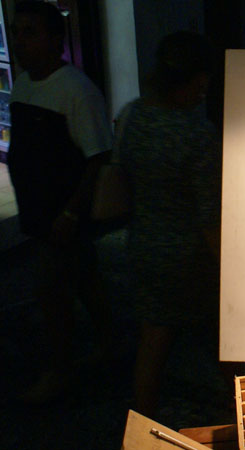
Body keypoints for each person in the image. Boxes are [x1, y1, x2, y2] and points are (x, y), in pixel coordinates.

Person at [7, 0, 114, 403]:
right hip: (38, 209)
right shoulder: (23, 83)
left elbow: (97, 156)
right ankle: (109, 342)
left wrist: (71, 211)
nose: (20, 41)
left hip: (62, 213)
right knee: (85, 278)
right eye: (17, 32)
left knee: (50, 292)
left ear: (55, 39)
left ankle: (60, 370)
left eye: (30, 32)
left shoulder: (76, 91)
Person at [116, 31, 222, 418]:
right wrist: (228, 266)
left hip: (143, 244)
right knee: (223, 339)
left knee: (153, 340)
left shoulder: (133, 115)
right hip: (189, 259)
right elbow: (209, 214)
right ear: (198, 80)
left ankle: (141, 426)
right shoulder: (196, 134)